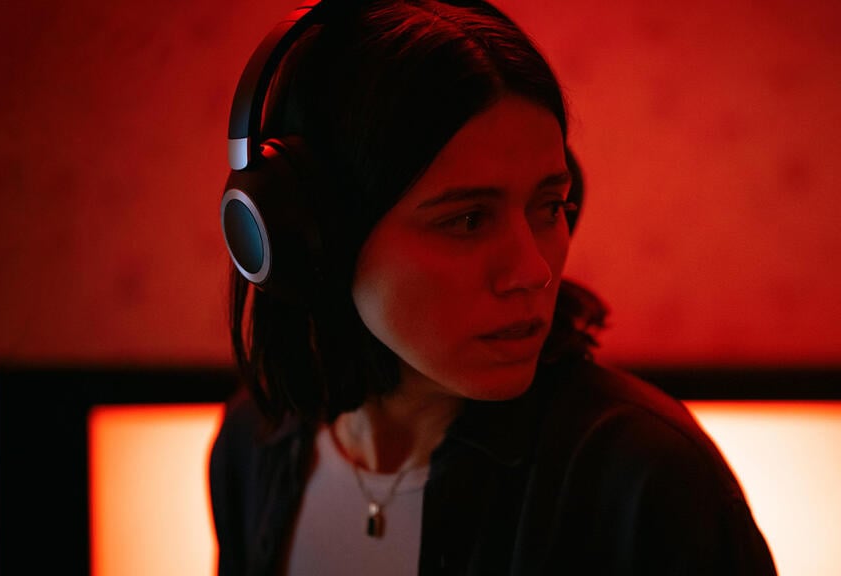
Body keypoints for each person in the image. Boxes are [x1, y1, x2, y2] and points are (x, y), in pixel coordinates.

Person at [209, 1, 779, 574]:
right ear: (312, 239)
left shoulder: (647, 480)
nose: (534, 271)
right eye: (468, 219)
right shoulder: (251, 442)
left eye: (549, 206)